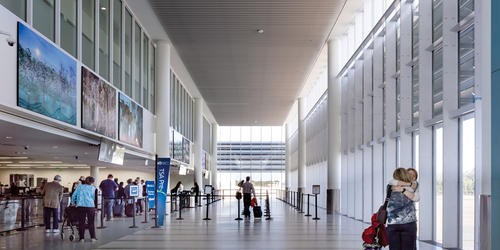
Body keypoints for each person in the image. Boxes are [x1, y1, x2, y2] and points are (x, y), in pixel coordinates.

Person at [386, 168, 417, 250]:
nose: (411, 176)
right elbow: (416, 198)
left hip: (393, 223)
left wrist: (403, 188)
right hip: (408, 223)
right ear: (406, 175)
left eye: (414, 175)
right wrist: (407, 186)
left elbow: (392, 181)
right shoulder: (411, 187)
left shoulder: (389, 186)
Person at [71, 176, 97, 242]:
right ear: (92, 182)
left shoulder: (79, 187)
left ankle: (81, 238)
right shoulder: (93, 188)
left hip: (81, 206)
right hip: (90, 206)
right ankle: (93, 238)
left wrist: (73, 202)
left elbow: (74, 195)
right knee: (91, 222)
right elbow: (93, 198)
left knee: (81, 222)